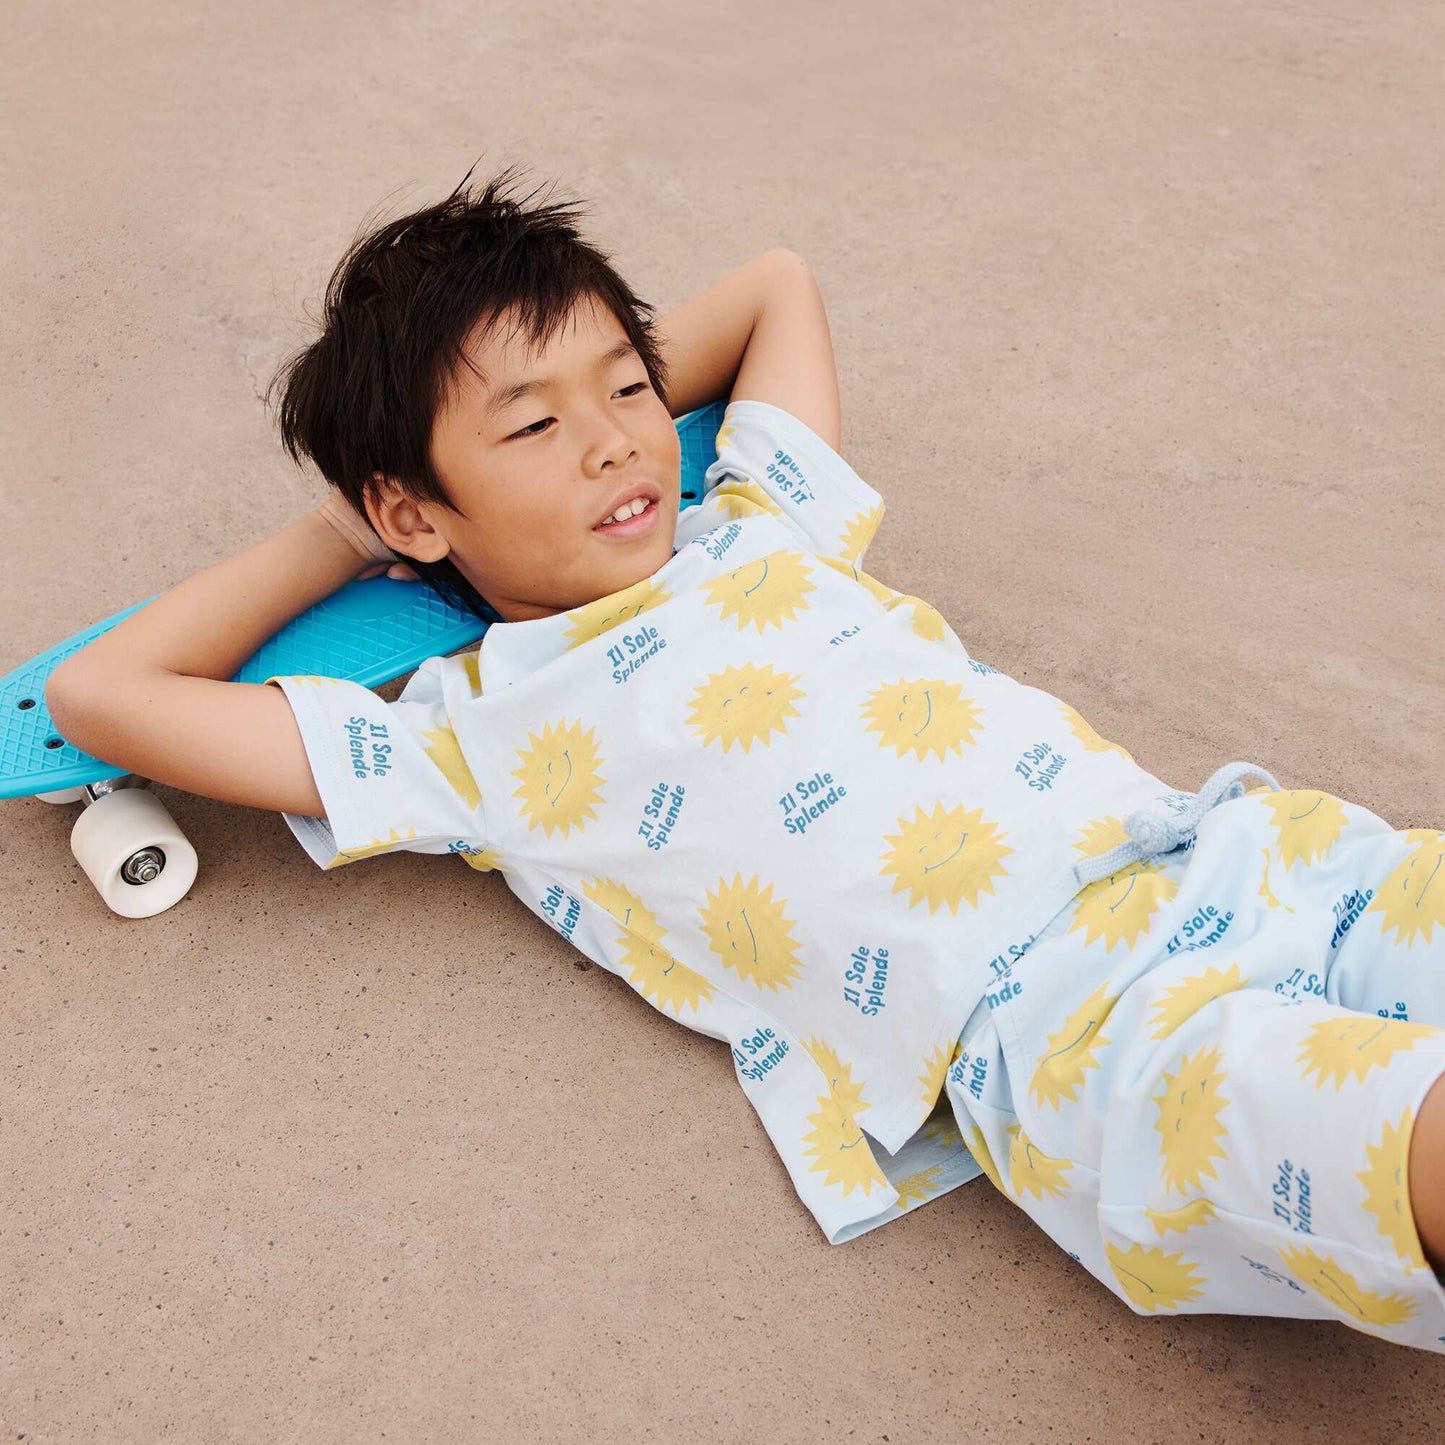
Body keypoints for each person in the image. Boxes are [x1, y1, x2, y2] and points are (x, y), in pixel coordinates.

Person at [46, 161, 1445, 1352]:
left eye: (630, 388)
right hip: (1073, 1032)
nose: (613, 444)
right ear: (413, 509)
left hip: (1249, 854)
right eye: (533, 425)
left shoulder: (765, 523)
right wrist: (343, 533)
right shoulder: (465, 739)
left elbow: (776, 285)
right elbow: (100, 694)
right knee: (1373, 1126)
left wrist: (563, 404)